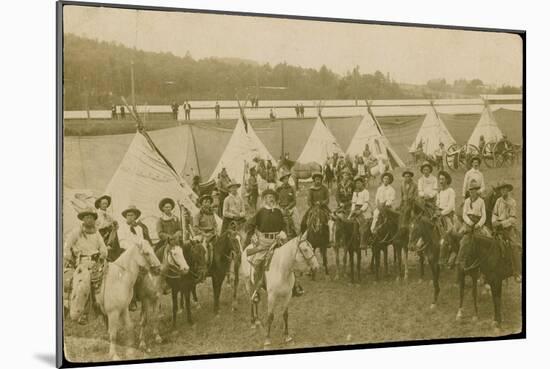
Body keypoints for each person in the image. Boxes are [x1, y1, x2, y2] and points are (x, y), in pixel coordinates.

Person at [64, 207, 109, 324]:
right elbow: (67, 245)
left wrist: (103, 253)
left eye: (91, 217)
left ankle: (107, 306)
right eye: (87, 217)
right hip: (82, 263)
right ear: (83, 219)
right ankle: (84, 312)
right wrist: (69, 256)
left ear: (94, 220)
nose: (89, 220)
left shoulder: (97, 233)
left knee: (108, 277)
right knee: (85, 282)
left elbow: (102, 246)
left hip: (96, 262)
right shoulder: (76, 232)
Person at [245, 189, 289, 302]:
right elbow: (250, 224)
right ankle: (256, 290)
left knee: (288, 259)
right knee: (258, 262)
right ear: (264, 199)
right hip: (264, 242)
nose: (271, 198)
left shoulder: (279, 212)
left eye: (273, 197)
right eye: (269, 197)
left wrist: (283, 231)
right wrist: (252, 235)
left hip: (277, 241)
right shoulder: (261, 212)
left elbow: (284, 225)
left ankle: (293, 285)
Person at [492, 182, 521, 282]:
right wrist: (494, 221)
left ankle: (517, 272)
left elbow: (513, 218)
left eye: (505, 189)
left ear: (508, 190)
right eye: (501, 189)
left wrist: (502, 223)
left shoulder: (512, 202)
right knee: (488, 243)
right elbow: (494, 213)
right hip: (498, 228)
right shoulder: (498, 201)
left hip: (508, 228)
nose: (503, 191)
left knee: (514, 246)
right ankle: (486, 272)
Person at [434, 171, 457, 265]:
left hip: (448, 215)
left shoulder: (450, 191)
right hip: (439, 214)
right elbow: (437, 204)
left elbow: (451, 206)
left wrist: (442, 213)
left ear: (447, 180)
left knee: (449, 233)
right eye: (439, 179)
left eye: (443, 179)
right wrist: (436, 211)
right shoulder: (439, 192)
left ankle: (451, 251)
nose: (441, 181)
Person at [193, 194, 218, 268]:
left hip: (211, 234)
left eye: (209, 202)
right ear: (202, 204)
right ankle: (204, 264)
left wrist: (215, 231)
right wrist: (203, 234)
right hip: (202, 234)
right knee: (203, 248)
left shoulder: (212, 214)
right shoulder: (198, 214)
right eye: (205, 202)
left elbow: (215, 224)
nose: (207, 204)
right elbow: (195, 227)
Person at [349, 176, 372, 248]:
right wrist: (353, 210)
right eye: (356, 183)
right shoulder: (355, 192)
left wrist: (361, 210)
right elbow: (353, 202)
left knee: (364, 224)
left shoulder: (366, 192)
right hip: (356, 208)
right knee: (349, 221)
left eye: (359, 183)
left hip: (364, 209)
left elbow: (366, 203)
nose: (357, 185)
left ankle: (365, 241)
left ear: (362, 183)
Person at [94, 195, 119, 260]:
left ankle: (110, 245)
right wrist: (107, 224)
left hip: (109, 232)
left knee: (114, 229)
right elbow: (97, 225)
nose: (105, 205)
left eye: (106, 204)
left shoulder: (109, 213)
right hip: (100, 232)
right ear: (99, 204)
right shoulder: (96, 214)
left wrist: (115, 223)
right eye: (103, 203)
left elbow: (114, 222)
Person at [277, 171, 297, 237]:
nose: (286, 180)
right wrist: (280, 206)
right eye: (284, 179)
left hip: (290, 208)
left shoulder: (291, 188)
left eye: (287, 178)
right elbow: (277, 200)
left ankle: (297, 234)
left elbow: (294, 201)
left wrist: (288, 207)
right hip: (281, 208)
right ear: (282, 180)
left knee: (295, 221)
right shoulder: (279, 189)